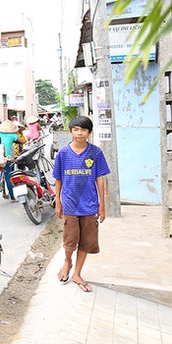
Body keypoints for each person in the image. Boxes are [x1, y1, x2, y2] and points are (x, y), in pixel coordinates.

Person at [53, 116, 110, 293]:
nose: (80, 133)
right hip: (70, 204)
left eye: (83, 130)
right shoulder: (63, 153)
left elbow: (100, 179)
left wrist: (102, 205)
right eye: (76, 129)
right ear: (70, 131)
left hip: (90, 205)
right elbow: (58, 179)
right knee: (70, 241)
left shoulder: (96, 153)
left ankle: (77, 273)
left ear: (89, 133)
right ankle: (68, 261)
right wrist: (58, 202)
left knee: (87, 241)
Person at [0, 120, 26, 202]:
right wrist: (16, 137)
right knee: (8, 176)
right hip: (6, 158)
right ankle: (12, 197)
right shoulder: (13, 135)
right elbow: (23, 141)